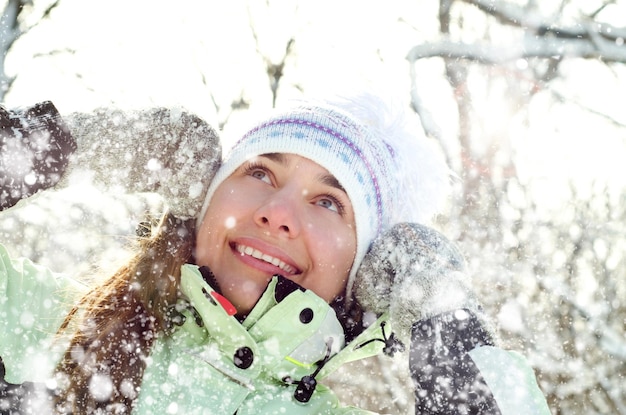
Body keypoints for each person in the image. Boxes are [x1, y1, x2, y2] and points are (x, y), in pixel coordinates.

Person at [0, 96, 551, 414]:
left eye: (330, 202)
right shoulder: (36, 324)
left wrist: (445, 321)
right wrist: (62, 146)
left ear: (366, 274)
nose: (279, 213)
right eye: (259, 172)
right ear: (203, 194)